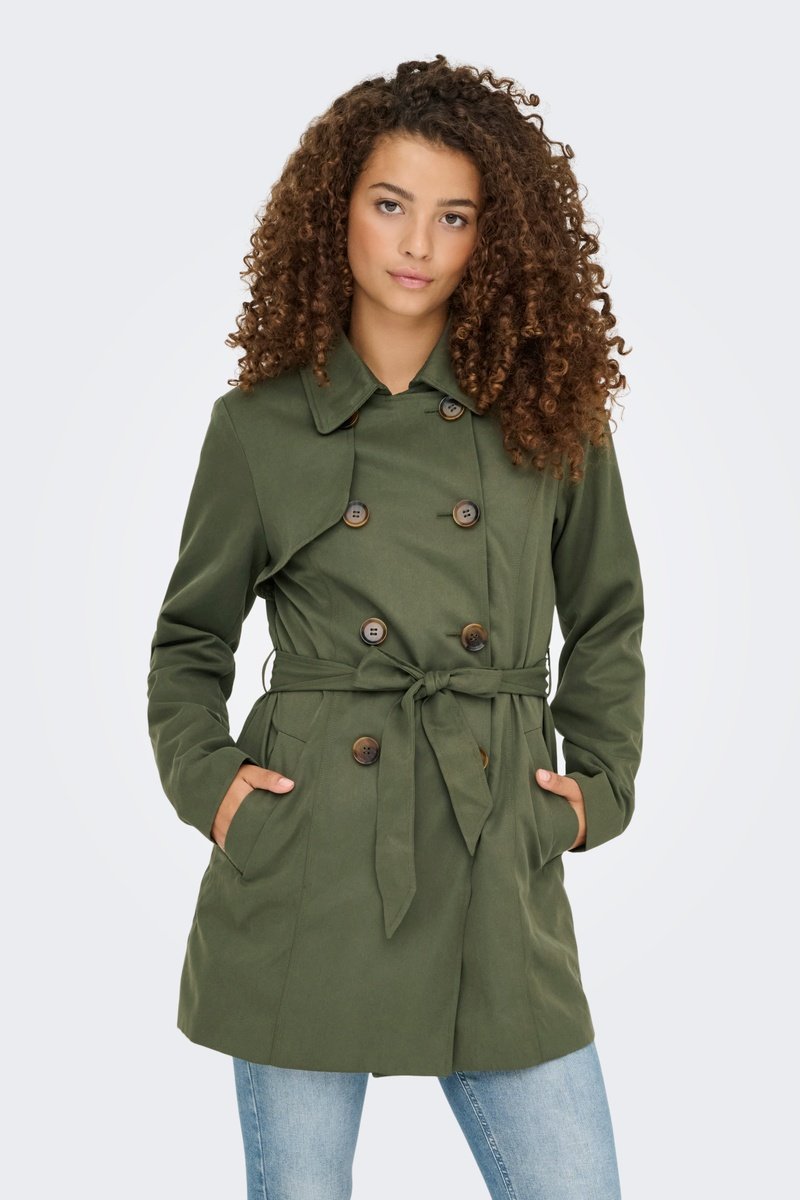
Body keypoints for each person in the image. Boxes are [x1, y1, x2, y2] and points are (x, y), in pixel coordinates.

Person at [147, 54, 645, 1200]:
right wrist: (213, 790)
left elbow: (607, 613)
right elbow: (188, 644)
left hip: (490, 852)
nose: (417, 243)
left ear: (494, 238)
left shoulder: (548, 418)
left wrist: (595, 790)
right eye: (389, 204)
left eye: (453, 216)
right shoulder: (258, 426)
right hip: (310, 856)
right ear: (337, 213)